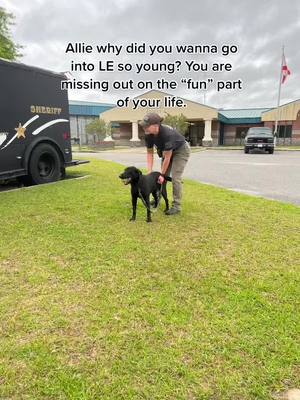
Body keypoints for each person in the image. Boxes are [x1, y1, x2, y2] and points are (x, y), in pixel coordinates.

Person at [139, 112, 191, 215]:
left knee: (175, 178)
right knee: (159, 179)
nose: (144, 128)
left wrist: (163, 175)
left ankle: (176, 206)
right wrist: (150, 171)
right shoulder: (148, 135)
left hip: (181, 151)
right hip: (167, 151)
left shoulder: (167, 134)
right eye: (144, 126)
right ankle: (158, 198)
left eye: (147, 126)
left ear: (156, 125)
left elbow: (167, 157)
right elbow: (150, 154)